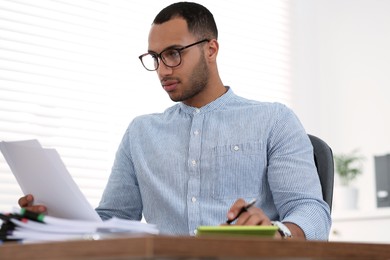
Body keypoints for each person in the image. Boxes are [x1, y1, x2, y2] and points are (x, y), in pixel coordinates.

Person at [19, 2, 331, 240]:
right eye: (155, 58)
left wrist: (276, 232)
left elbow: (312, 211)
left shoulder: (273, 120)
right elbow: (115, 219)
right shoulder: (141, 132)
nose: (163, 70)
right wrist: (53, 219)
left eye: (173, 53)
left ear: (211, 49)